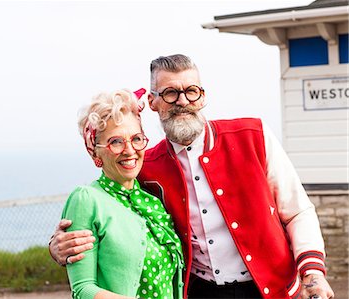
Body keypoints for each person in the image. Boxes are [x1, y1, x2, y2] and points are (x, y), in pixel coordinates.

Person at [49, 54, 334, 299]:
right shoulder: (144, 163)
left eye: (191, 91)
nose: (182, 101)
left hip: (273, 290)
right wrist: (59, 245)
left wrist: (313, 272)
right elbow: (107, 205)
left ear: (203, 96)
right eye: (170, 93)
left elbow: (297, 211)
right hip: (201, 293)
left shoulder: (254, 135)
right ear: (152, 102)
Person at [58, 88, 185, 299]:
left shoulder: (152, 199)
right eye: (116, 142)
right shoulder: (87, 200)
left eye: (136, 139)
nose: (129, 150)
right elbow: (83, 289)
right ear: (95, 150)